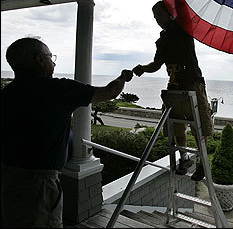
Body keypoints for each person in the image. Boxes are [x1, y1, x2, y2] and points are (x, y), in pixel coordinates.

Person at [0, 37, 134, 228]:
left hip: (7, 177)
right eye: (50, 57)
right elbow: (110, 92)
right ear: (39, 59)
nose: (53, 62)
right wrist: (122, 77)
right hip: (39, 185)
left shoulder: (7, 94)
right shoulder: (59, 90)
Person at [132, 0, 213, 181]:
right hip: (174, 85)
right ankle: (184, 159)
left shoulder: (184, 29)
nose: (157, 20)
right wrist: (143, 68)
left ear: (169, 12)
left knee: (200, 125)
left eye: (159, 15)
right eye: (155, 17)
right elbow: (156, 64)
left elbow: (183, 11)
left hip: (193, 84)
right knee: (176, 127)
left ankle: (202, 164)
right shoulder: (162, 40)